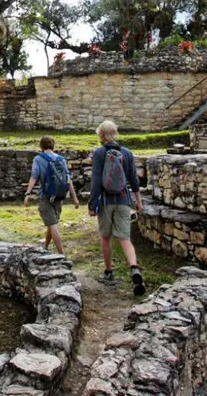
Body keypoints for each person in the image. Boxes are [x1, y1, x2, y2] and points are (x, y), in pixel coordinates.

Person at [89, 120, 146, 297]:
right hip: (123, 199)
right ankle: (134, 269)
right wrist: (138, 200)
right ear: (116, 133)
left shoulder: (98, 154)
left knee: (105, 237)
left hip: (106, 202)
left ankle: (108, 272)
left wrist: (92, 204)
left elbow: (96, 181)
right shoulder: (127, 153)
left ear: (101, 135)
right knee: (125, 238)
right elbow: (134, 180)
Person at [24, 136, 79, 254]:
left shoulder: (38, 159)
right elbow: (68, 179)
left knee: (53, 225)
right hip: (59, 195)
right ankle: (45, 247)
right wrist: (74, 198)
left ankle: (61, 254)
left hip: (46, 195)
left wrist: (28, 193)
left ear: (41, 146)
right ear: (53, 145)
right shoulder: (61, 159)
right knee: (52, 223)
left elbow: (34, 176)